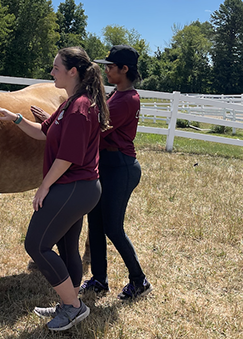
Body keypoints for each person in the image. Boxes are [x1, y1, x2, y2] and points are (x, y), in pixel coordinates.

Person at [0, 47, 110, 331]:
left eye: (56, 67)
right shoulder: (71, 103)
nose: (51, 72)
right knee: (67, 246)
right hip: (77, 187)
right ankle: (69, 301)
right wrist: (16, 118)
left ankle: (73, 306)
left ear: (73, 72)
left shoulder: (81, 107)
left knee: (36, 244)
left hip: (75, 186)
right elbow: (44, 131)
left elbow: (67, 157)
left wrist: (43, 187)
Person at [78, 45, 152, 300]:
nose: (106, 70)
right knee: (95, 223)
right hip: (108, 165)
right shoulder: (117, 95)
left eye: (111, 66)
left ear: (125, 69)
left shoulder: (127, 100)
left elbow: (95, 128)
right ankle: (99, 279)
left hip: (120, 168)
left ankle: (139, 280)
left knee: (112, 226)